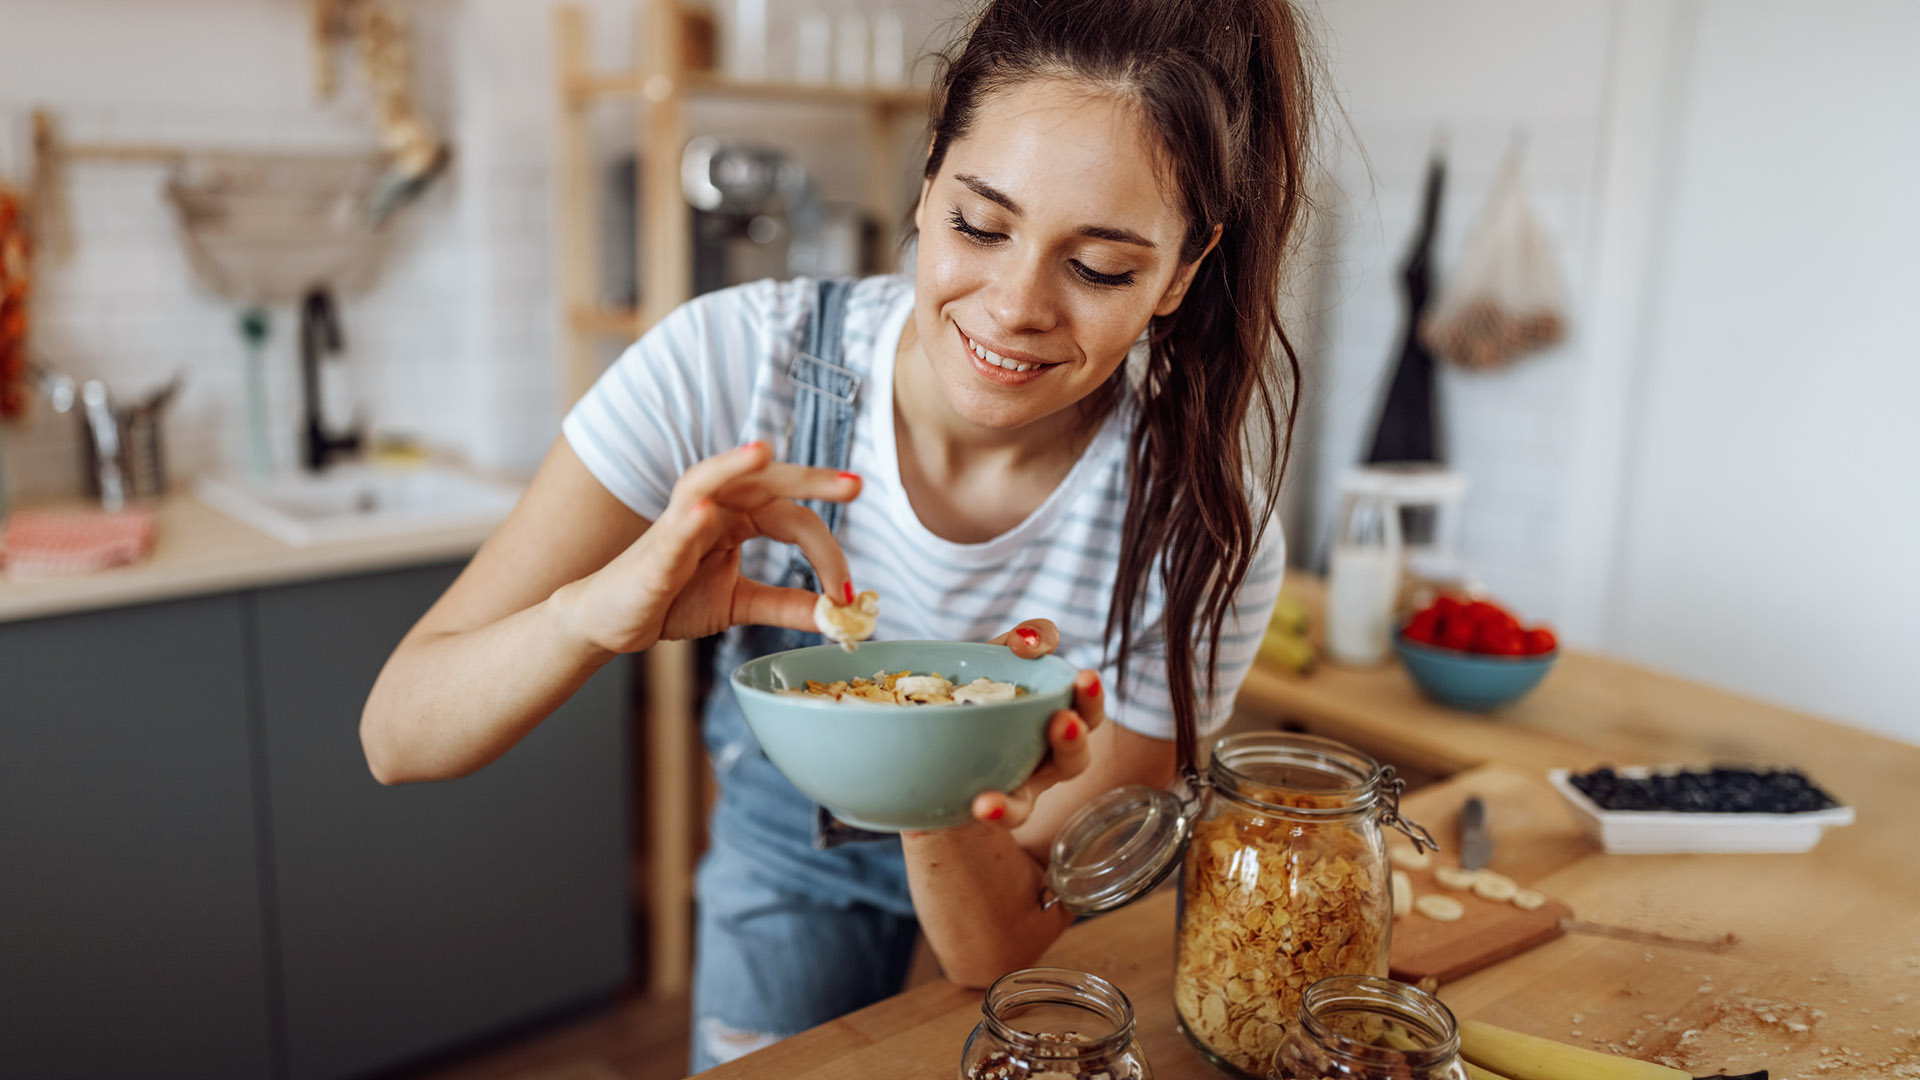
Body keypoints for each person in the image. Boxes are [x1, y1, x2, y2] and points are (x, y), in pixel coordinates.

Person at [360, 0, 1320, 1070]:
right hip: (787, 866)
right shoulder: (734, 363)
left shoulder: (1199, 534)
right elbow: (399, 736)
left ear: (1183, 274)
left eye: (1098, 268)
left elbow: (1002, 945)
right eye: (979, 225)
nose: (1013, 307)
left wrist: (935, 766)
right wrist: (592, 615)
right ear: (927, 178)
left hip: (991, 880)